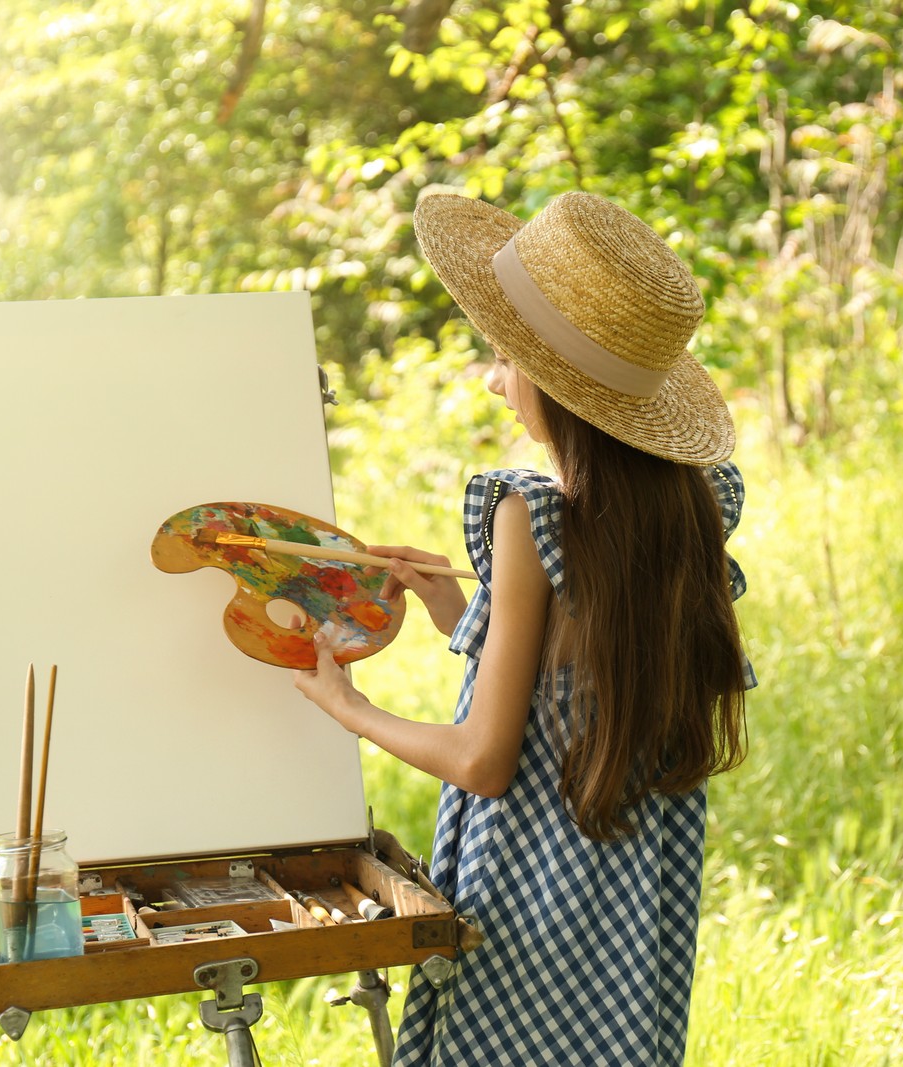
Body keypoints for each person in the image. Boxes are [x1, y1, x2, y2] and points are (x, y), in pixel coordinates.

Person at [292, 189, 755, 1065]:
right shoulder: (682, 508)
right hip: (630, 920)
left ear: (559, 386)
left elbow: (483, 760)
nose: (493, 379)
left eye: (505, 359)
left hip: (533, 915)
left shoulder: (529, 515)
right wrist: (463, 610)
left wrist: (345, 704)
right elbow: (585, 676)